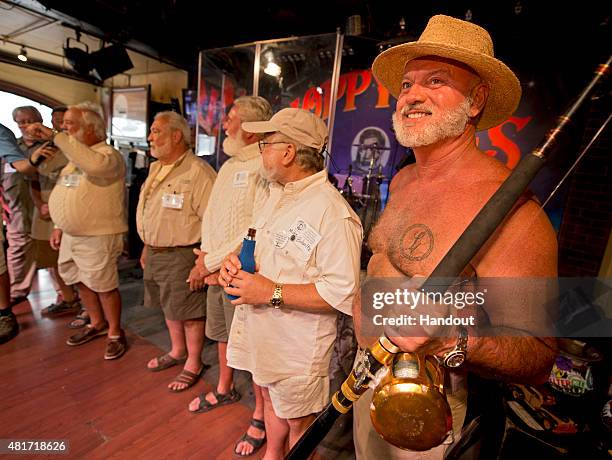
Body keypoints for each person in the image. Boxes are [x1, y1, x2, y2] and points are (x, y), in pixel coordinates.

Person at [351, 15, 558, 459]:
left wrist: (448, 337)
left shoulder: (512, 211)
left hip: (433, 405)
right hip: (365, 378)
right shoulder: (404, 179)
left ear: (477, 99)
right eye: (406, 85)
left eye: (436, 81)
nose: (412, 95)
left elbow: (539, 358)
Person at [219, 108, 363, 460]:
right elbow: (262, 248)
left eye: (265, 144)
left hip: (295, 349)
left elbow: (341, 292)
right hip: (264, 335)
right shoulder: (276, 194)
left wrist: (269, 292)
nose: (260, 151)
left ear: (288, 152)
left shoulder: (333, 213)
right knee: (267, 396)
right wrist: (234, 262)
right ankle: (272, 452)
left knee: (300, 424)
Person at [186, 96, 272, 457]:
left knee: (249, 343)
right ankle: (225, 387)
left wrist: (215, 262)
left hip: (240, 270)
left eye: (232, 119)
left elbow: (256, 227)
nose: (225, 125)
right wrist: (205, 255)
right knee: (222, 333)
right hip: (215, 266)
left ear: (251, 130)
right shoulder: (227, 166)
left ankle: (260, 415)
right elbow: (213, 216)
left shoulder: (263, 168)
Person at [27, 101, 129, 360]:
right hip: (73, 235)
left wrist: (57, 137)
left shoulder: (107, 156)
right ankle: (97, 323)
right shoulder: (76, 157)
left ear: (91, 128)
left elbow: (93, 166)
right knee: (80, 281)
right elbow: (68, 189)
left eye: (70, 124)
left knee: (104, 286)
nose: (63, 129)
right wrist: (60, 226)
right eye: (63, 126)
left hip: (98, 236)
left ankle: (115, 333)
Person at [139, 111, 216, 392]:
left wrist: (203, 263)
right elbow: (151, 212)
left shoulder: (198, 172)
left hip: (184, 253)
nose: (150, 137)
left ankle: (193, 362)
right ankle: (177, 351)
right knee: (168, 305)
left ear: (176, 135)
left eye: (156, 131)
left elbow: (212, 221)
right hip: (157, 251)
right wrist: (148, 246)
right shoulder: (156, 168)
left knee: (189, 309)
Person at [31, 106, 82, 320]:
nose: (59, 126)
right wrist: (39, 203)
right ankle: (68, 299)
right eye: (56, 121)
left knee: (74, 261)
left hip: (67, 212)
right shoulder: (42, 148)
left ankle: (86, 305)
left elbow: (76, 182)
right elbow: (31, 177)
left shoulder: (78, 149)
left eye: (64, 121)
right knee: (51, 259)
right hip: (43, 209)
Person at [1, 106, 45, 306]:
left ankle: (67, 294)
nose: (26, 126)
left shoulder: (50, 146)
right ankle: (16, 291)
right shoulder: (12, 145)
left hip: (44, 205)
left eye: (30, 120)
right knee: (17, 246)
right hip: (16, 205)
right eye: (21, 122)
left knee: (47, 248)